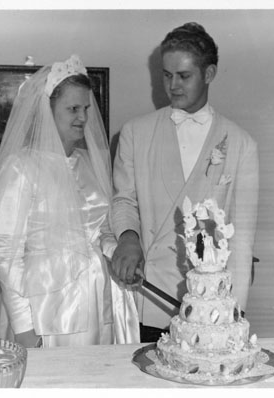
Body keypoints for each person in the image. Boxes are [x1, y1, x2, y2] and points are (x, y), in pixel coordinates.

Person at [0, 55, 139, 347]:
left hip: (98, 301)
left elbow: (98, 232)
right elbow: (7, 255)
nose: (83, 117)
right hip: (46, 309)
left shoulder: (89, 163)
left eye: (85, 108)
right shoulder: (20, 167)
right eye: (73, 109)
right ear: (47, 111)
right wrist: (23, 326)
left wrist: (120, 256)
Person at [111, 22, 259, 341]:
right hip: (148, 299)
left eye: (184, 76)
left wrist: (234, 311)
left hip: (211, 308)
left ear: (209, 74)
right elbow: (124, 200)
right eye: (166, 75)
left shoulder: (241, 144)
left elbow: (242, 238)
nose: (173, 85)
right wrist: (128, 237)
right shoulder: (134, 134)